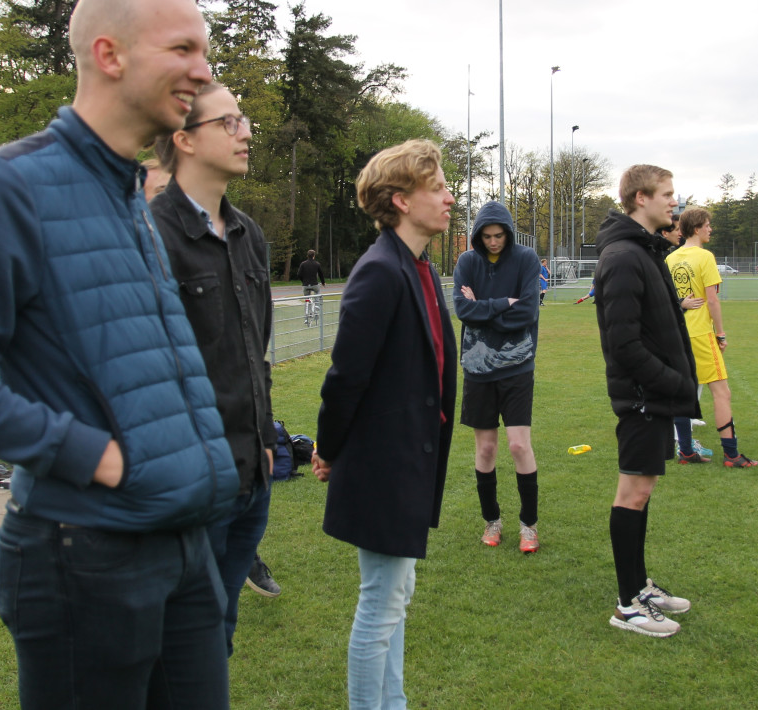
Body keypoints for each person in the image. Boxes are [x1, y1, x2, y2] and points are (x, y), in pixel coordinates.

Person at [0, 0, 239, 709]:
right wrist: (97, 456)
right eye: (183, 47)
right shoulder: (6, 185)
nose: (203, 71)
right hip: (83, 555)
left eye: (206, 52)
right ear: (109, 53)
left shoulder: (129, 192)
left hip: (181, 545)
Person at [311, 139, 457, 709]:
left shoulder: (420, 266)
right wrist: (329, 447)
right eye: (438, 188)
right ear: (400, 200)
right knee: (381, 603)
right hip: (384, 463)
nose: (449, 198)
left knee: (397, 596)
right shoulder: (379, 272)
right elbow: (346, 377)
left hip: (408, 461)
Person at [149, 82, 276, 654]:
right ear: (185, 140)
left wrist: (266, 435)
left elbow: (258, 348)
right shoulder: (151, 235)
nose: (246, 131)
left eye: (243, 119)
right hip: (193, 481)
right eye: (229, 122)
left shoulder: (250, 235)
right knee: (184, 639)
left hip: (253, 474)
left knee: (219, 629)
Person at [593, 165, 697, 637]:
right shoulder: (622, 257)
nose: (674, 202)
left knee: (642, 492)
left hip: (653, 396)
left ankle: (638, 588)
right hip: (640, 398)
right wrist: (672, 381)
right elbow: (624, 345)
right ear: (640, 198)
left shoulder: (646, 249)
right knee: (631, 494)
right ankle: (626, 605)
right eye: (668, 195)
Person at [453, 201, 542, 552]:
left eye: (499, 235)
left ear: (507, 232)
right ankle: (492, 521)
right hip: (477, 367)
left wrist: (484, 309)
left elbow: (528, 311)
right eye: (487, 236)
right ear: (478, 236)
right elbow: (463, 310)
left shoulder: (526, 259)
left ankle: (529, 526)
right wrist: (504, 302)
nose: (493, 242)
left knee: (519, 445)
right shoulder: (466, 262)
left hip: (518, 366)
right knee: (486, 448)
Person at [666, 207, 758, 468]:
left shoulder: (671, 258)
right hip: (699, 332)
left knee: (684, 393)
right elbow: (712, 300)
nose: (710, 229)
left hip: (677, 334)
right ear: (696, 228)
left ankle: (685, 451)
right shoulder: (704, 257)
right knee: (721, 392)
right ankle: (732, 455)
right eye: (707, 225)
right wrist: (720, 333)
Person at [656, 218, 711, 463]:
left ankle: (683, 429)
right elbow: (658, 297)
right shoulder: (663, 258)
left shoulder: (668, 256)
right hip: (675, 328)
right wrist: (681, 304)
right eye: (676, 229)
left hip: (677, 326)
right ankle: (679, 436)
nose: (680, 233)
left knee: (691, 377)